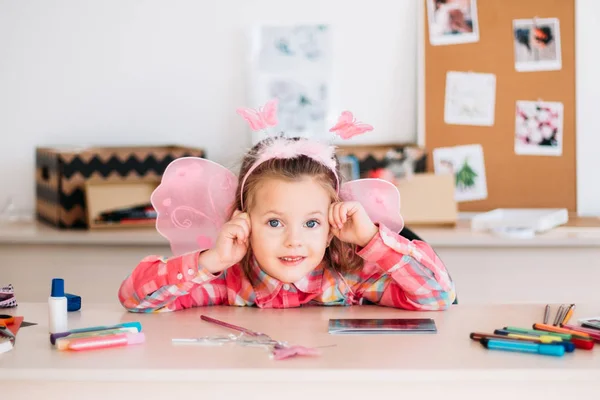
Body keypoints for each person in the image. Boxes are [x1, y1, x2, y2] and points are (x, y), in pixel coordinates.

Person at [118, 100, 456, 313]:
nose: (294, 241)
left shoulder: (349, 277)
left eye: (311, 223)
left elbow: (438, 296)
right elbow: (135, 298)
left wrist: (371, 240)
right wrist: (212, 261)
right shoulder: (227, 280)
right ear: (244, 222)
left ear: (330, 231)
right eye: (275, 223)